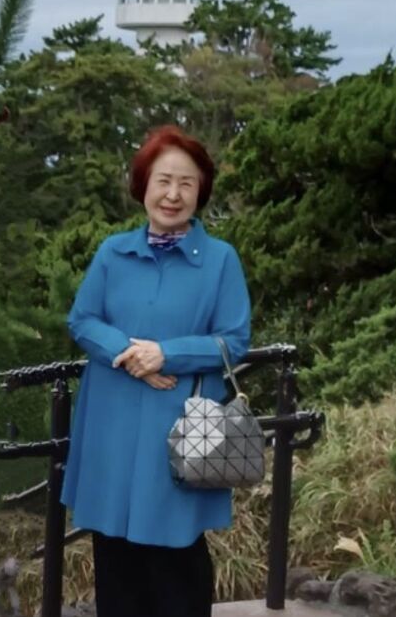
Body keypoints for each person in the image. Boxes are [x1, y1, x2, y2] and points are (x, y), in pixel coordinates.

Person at [61, 125, 252, 617]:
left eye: (186, 184)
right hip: (112, 418)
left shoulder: (220, 261)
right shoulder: (113, 252)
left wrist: (167, 354)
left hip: (180, 426)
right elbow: (82, 320)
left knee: (176, 555)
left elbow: (234, 340)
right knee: (113, 550)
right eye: (163, 180)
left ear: (200, 192)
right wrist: (131, 354)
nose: (173, 195)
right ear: (143, 185)